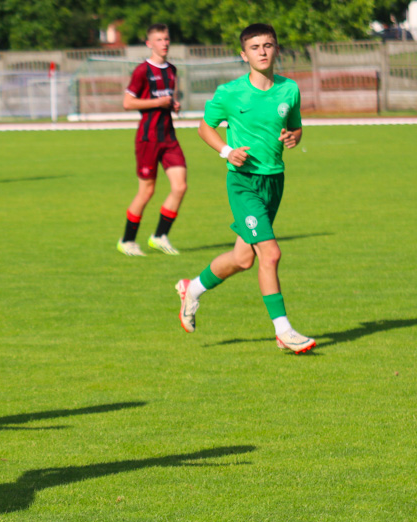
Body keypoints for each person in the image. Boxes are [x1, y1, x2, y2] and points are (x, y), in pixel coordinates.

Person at [175, 23, 315, 354]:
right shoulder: (229, 93)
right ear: (244, 55)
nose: (262, 51)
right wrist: (226, 151)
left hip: (274, 180)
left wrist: (294, 137)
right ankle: (283, 331)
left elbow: (295, 127)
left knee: (242, 259)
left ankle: (191, 289)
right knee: (271, 253)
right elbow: (203, 128)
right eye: (255, 47)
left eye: (268, 45)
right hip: (242, 182)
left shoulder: (289, 89)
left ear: (276, 49)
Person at [117, 23, 187, 257]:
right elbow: (128, 103)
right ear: (149, 44)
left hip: (169, 137)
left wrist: (173, 105)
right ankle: (127, 240)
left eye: (166, 39)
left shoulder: (172, 70)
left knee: (180, 186)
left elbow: (165, 100)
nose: (164, 43)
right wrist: (158, 103)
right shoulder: (141, 71)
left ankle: (159, 236)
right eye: (158, 39)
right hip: (148, 138)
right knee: (146, 191)